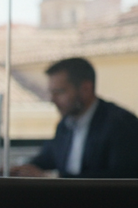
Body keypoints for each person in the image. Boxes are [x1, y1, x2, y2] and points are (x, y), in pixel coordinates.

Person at [10, 57, 138, 179]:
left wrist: (53, 178)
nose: (52, 100)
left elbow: (120, 177)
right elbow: (48, 158)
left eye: (59, 92)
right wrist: (20, 169)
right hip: (68, 199)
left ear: (86, 89)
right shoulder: (65, 124)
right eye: (51, 92)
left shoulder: (121, 124)